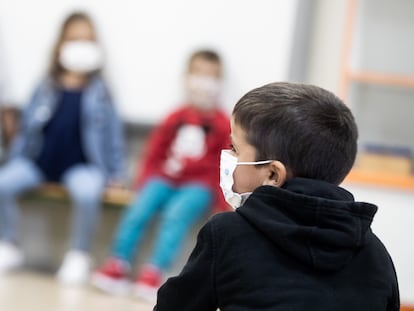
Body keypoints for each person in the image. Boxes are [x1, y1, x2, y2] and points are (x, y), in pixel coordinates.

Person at [154, 82, 400, 310]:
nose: (227, 158)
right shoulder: (375, 253)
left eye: (235, 149)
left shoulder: (227, 234)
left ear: (272, 174)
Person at [91, 50, 230, 301]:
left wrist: (222, 202)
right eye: (198, 74)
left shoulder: (223, 123)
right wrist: (144, 183)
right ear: (186, 77)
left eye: (211, 76)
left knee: (176, 214)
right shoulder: (174, 116)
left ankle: (154, 271)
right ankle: (118, 263)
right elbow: (154, 153)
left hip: (198, 185)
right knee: (139, 209)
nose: (204, 81)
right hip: (163, 177)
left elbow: (223, 165)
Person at [0, 12, 124, 285]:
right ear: (60, 45)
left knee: (88, 193)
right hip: (38, 163)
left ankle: (79, 254)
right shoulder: (46, 85)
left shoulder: (101, 91)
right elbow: (28, 127)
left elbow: (113, 136)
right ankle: (8, 244)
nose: (80, 46)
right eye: (74, 39)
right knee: (3, 184)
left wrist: (116, 174)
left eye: (87, 40)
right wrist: (16, 158)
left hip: (81, 166)